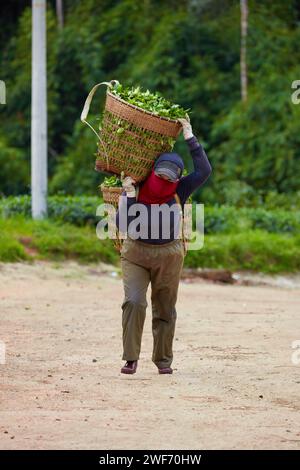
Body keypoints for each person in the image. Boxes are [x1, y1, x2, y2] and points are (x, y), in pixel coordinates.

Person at [116, 118, 212, 375]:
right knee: (134, 302)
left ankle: (163, 360)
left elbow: (204, 171)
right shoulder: (137, 185)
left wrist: (190, 136)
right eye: (160, 175)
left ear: (178, 178)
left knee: (165, 307)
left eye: (170, 177)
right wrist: (129, 195)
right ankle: (130, 358)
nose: (164, 180)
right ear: (153, 171)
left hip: (169, 254)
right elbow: (122, 224)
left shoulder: (181, 189)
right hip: (136, 252)